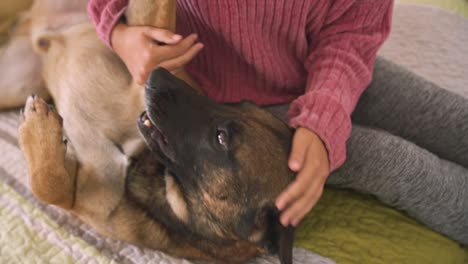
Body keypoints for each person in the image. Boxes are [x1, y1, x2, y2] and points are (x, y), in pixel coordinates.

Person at [87, 0, 468, 245]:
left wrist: (325, 113)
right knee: (392, 161)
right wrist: (120, 34)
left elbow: (353, 31)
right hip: (223, 107)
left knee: (450, 117)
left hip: (320, 59)